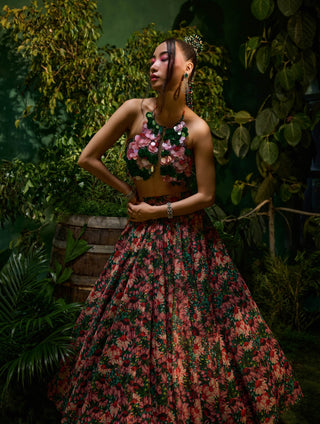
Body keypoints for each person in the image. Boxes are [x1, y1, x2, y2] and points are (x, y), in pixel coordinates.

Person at [48, 36, 302, 423]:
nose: (153, 65)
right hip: (141, 238)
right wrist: (128, 191)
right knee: (128, 328)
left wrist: (158, 212)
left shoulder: (198, 129)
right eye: (151, 59)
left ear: (187, 69)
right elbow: (88, 157)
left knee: (192, 329)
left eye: (164, 58)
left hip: (189, 241)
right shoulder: (133, 110)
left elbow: (206, 196)